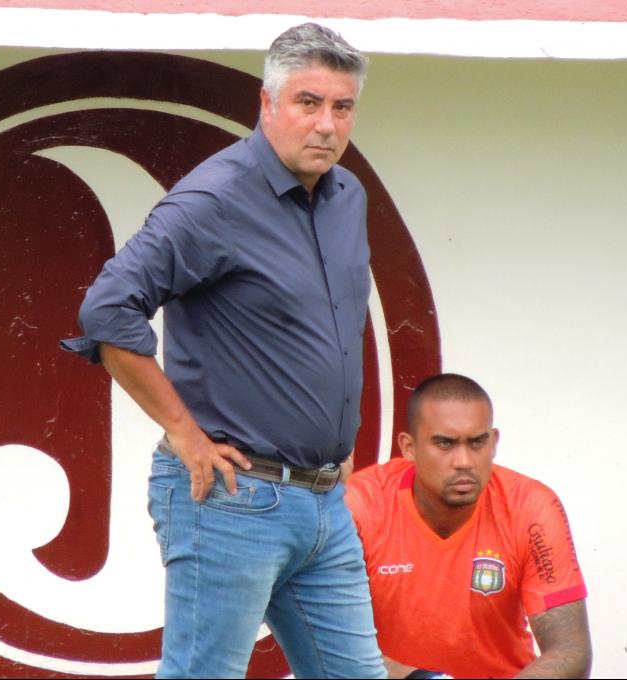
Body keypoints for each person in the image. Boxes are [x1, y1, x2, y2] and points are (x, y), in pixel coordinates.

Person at [60, 21, 386, 680]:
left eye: (341, 106)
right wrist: (184, 432)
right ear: (267, 105)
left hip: (323, 499)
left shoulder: (347, 196)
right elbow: (106, 308)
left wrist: (331, 439)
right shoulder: (215, 198)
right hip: (233, 494)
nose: (326, 124)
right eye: (307, 102)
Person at [344, 373, 592, 679]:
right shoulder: (360, 505)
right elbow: (337, 648)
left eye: (477, 442)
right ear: (409, 447)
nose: (464, 461)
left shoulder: (531, 506)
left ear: (494, 442)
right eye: (445, 444)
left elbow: (571, 651)